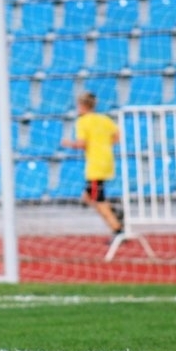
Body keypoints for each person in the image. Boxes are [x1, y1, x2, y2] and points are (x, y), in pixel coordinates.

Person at [60, 91, 124, 240]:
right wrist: (104, 144)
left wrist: (68, 143)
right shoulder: (104, 119)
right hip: (107, 160)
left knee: (98, 200)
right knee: (87, 196)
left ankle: (117, 229)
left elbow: (82, 144)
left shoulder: (83, 121)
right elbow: (118, 136)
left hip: (95, 165)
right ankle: (115, 211)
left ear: (82, 106)